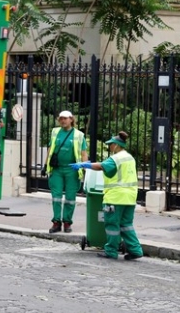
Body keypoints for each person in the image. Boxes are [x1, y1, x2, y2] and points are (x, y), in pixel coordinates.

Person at [71, 131, 143, 260]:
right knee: (126, 225)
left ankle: (111, 251)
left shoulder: (116, 158)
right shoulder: (129, 157)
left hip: (115, 197)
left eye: (111, 144)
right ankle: (135, 250)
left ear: (116, 145)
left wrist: (84, 164)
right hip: (130, 197)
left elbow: (102, 167)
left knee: (112, 224)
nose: (110, 147)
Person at [45, 110, 88, 233]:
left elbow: (83, 153)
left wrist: (85, 169)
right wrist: (45, 165)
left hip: (72, 170)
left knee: (70, 197)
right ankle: (56, 222)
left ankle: (67, 222)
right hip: (57, 169)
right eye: (61, 119)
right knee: (56, 197)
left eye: (65, 118)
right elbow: (50, 149)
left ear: (71, 119)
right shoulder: (55, 132)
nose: (63, 121)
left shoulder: (79, 135)